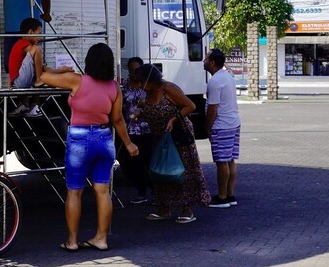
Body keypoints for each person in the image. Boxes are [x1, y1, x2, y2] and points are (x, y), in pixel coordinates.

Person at [39, 43, 138, 252]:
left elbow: (41, 77)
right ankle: (101, 239)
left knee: (74, 192)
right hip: (104, 139)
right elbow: (118, 120)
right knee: (102, 191)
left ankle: (72, 241)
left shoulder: (77, 80)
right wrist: (128, 144)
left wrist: (44, 62)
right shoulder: (114, 87)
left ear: (89, 61)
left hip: (79, 139)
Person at [130, 63, 210, 223]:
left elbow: (190, 105)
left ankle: (187, 209)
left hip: (178, 136)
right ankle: (163, 208)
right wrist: (140, 113)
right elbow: (152, 109)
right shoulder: (147, 94)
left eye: (141, 82)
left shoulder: (168, 88)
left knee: (180, 171)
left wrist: (174, 119)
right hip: (160, 137)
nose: (140, 86)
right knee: (161, 170)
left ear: (149, 80)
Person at [7, 17, 72, 115]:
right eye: (39, 33)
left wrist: (61, 70)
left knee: (40, 73)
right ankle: (38, 82)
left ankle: (30, 105)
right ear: (30, 32)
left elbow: (42, 68)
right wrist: (41, 78)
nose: (40, 37)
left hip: (19, 81)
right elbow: (40, 67)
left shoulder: (26, 52)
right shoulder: (23, 43)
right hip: (19, 81)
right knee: (38, 49)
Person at [204, 49, 241, 207]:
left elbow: (213, 108)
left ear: (212, 62)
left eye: (206, 59)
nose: (204, 61)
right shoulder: (228, 76)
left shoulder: (214, 81)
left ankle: (222, 196)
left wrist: (207, 127)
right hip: (234, 122)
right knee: (231, 159)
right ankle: (230, 194)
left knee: (221, 161)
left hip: (221, 125)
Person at [118, 57, 156, 205]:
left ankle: (155, 190)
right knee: (134, 164)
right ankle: (141, 192)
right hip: (130, 130)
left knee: (149, 161)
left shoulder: (147, 86)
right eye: (131, 69)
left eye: (137, 70)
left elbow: (156, 103)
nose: (134, 73)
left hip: (146, 129)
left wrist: (145, 105)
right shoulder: (123, 87)